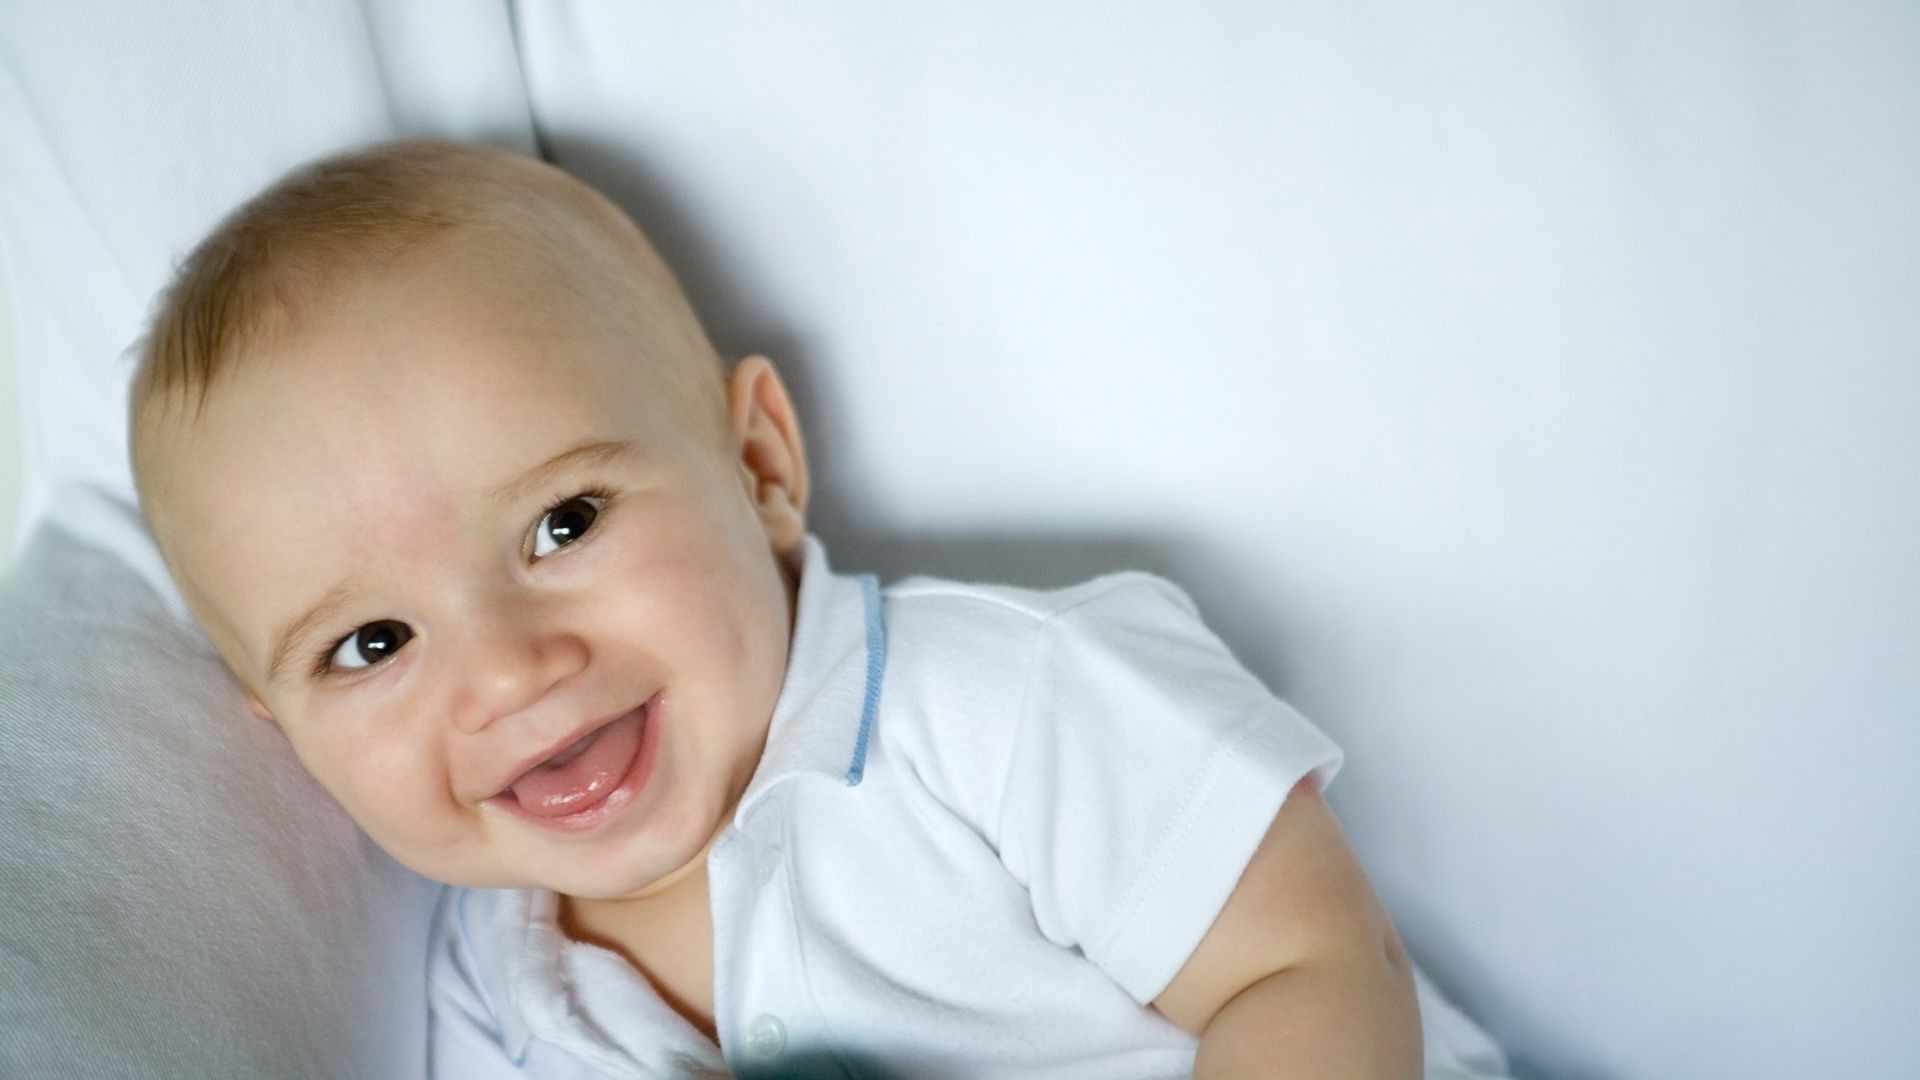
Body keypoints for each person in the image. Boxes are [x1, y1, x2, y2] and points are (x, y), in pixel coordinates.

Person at [127, 139, 1494, 1079]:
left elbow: (1315, 962)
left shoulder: (999, 706)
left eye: (564, 524)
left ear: (760, 466)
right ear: (282, 727)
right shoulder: (502, 996)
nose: (508, 671)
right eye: (372, 644)